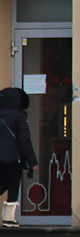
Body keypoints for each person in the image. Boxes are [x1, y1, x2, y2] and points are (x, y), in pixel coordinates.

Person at [0, 87, 37, 226]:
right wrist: (32, 162)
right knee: (13, 185)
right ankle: (9, 218)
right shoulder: (19, 117)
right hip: (13, 158)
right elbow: (24, 141)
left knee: (2, 184)